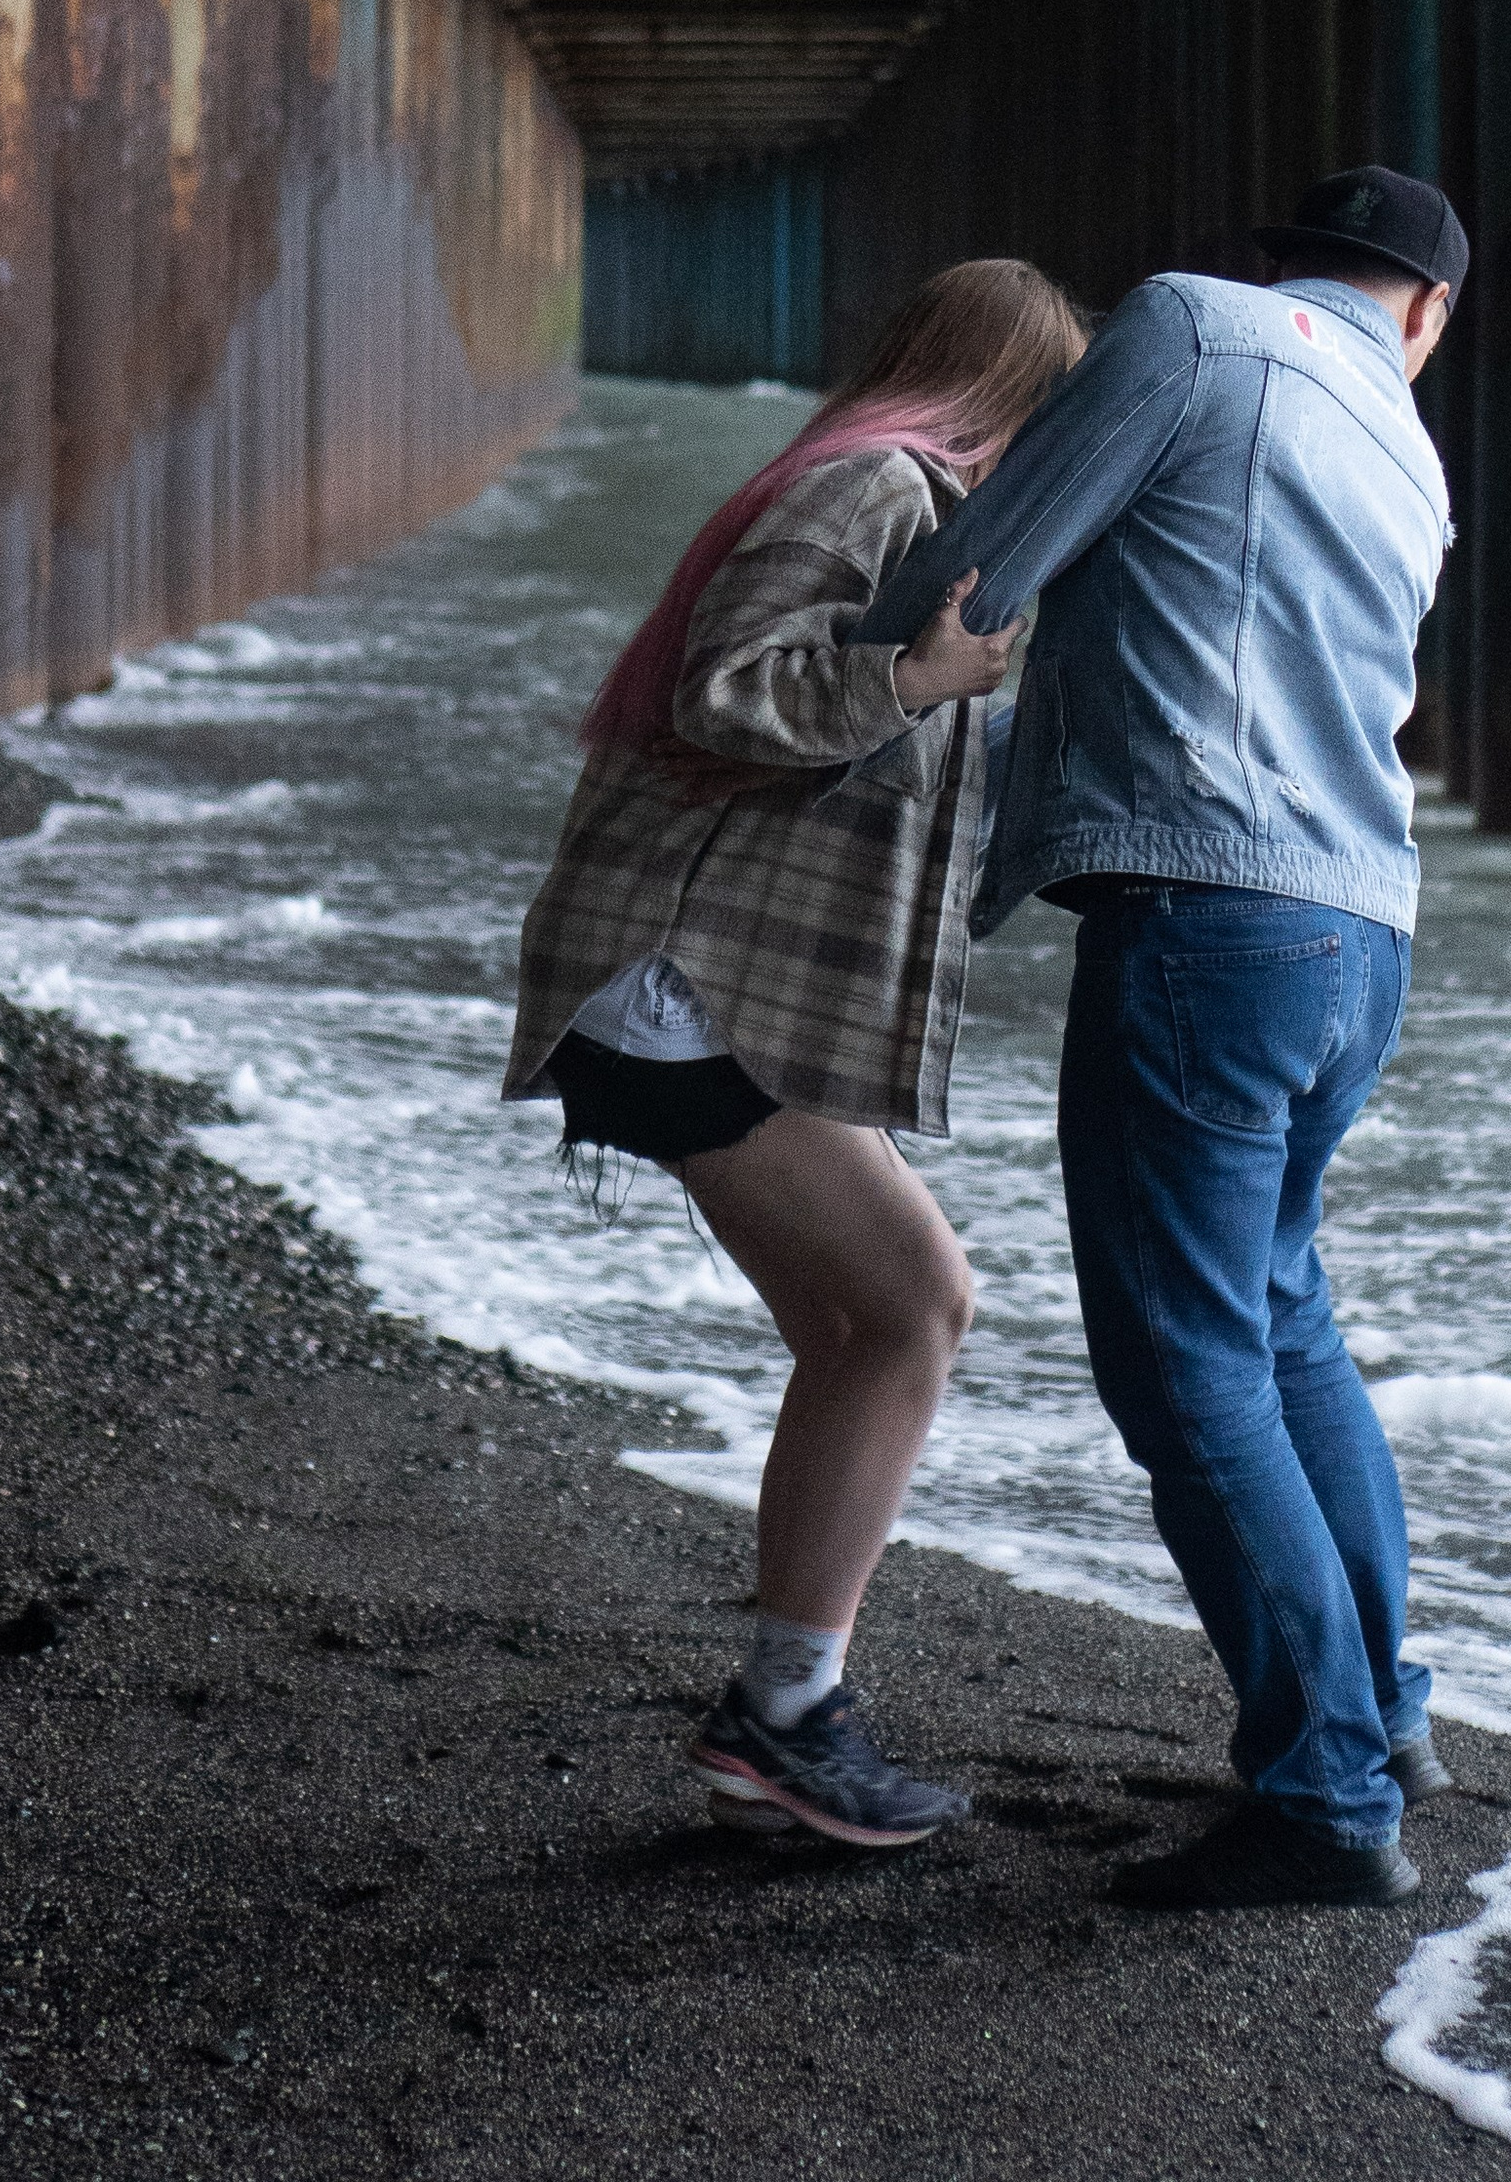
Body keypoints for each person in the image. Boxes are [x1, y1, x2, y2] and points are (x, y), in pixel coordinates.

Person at [859, 167, 1465, 1910]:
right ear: (1427, 315)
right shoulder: (1412, 455)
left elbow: (971, 583)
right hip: (1362, 936)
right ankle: (1387, 1718)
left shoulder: (1201, 323)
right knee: (1283, 1320)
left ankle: (1329, 1793)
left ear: (1284, 269)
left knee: (1183, 1365)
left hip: (1209, 914)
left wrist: (817, 650)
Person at [501, 258, 1077, 1852]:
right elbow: (727, 688)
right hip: (691, 989)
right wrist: (917, 678)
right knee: (913, 1308)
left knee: (862, 1326)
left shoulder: (890, 498)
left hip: (707, 990)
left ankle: (787, 1703)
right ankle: (785, 1712)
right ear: (1012, 397)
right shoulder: (879, 486)